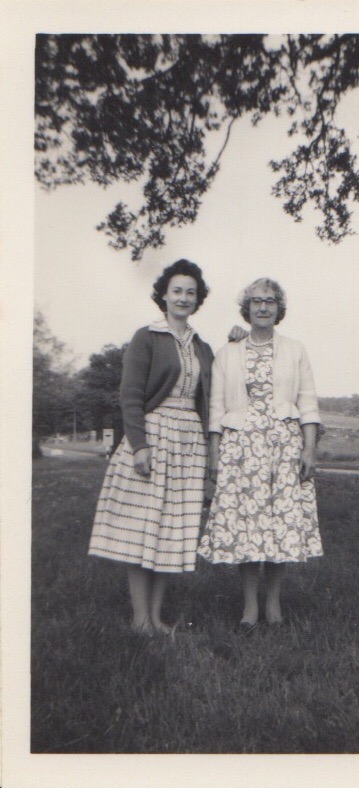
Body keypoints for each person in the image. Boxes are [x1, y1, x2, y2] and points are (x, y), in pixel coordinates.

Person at [88, 259, 215, 636]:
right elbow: (130, 396)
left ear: (198, 299)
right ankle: (139, 619)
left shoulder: (202, 346)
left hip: (189, 442)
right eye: (177, 291)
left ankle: (156, 618)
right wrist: (139, 445)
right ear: (164, 295)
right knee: (143, 528)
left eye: (191, 292)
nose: (183, 298)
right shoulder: (147, 336)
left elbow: (216, 385)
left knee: (171, 532)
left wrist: (238, 339)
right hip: (154, 436)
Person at [197, 278, 323, 630]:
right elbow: (217, 409)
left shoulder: (295, 350)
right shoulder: (228, 353)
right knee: (248, 526)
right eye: (256, 301)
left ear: (279, 308)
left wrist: (309, 450)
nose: (263, 307)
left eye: (269, 301)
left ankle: (274, 602)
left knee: (279, 524)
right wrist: (214, 456)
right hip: (241, 449)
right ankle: (250, 606)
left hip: (283, 447)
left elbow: (308, 404)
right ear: (247, 308)